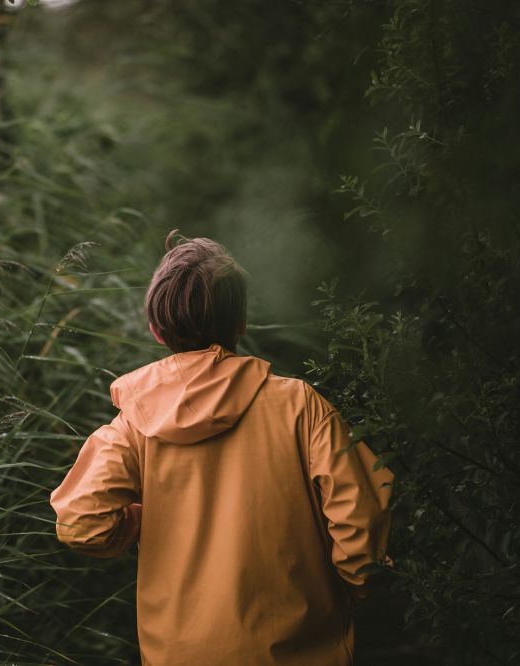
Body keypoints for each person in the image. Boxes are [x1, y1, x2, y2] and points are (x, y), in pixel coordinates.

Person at [50, 229, 394, 665]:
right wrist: (356, 590)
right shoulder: (300, 405)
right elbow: (361, 525)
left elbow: (81, 524)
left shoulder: (135, 424)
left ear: (156, 330)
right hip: (302, 649)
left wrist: (139, 521)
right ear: (240, 323)